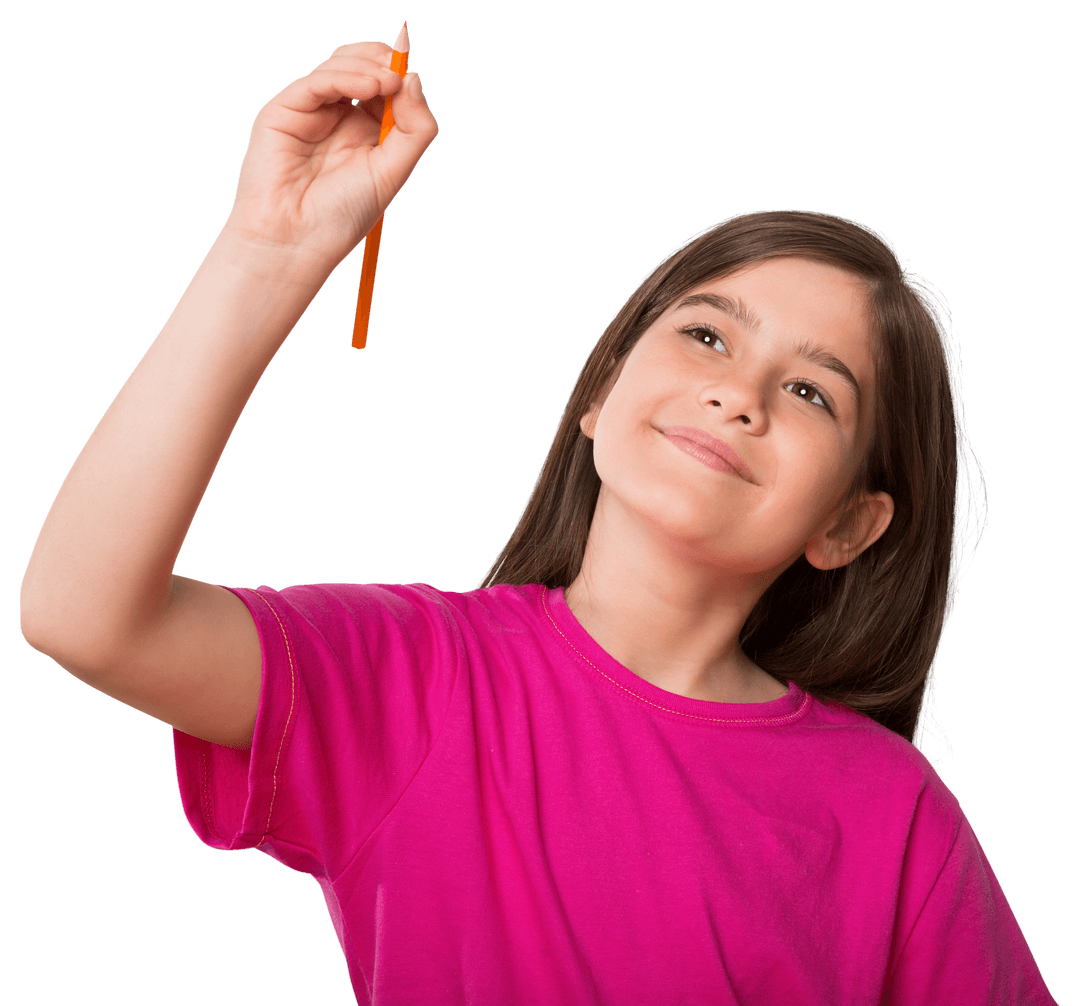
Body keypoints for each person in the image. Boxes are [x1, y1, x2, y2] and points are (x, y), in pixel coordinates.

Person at [20, 39, 1057, 1006]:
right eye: (705, 335)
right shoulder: (415, 676)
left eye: (812, 394)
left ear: (849, 525)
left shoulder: (891, 814)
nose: (740, 395)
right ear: (595, 399)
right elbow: (81, 613)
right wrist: (267, 251)